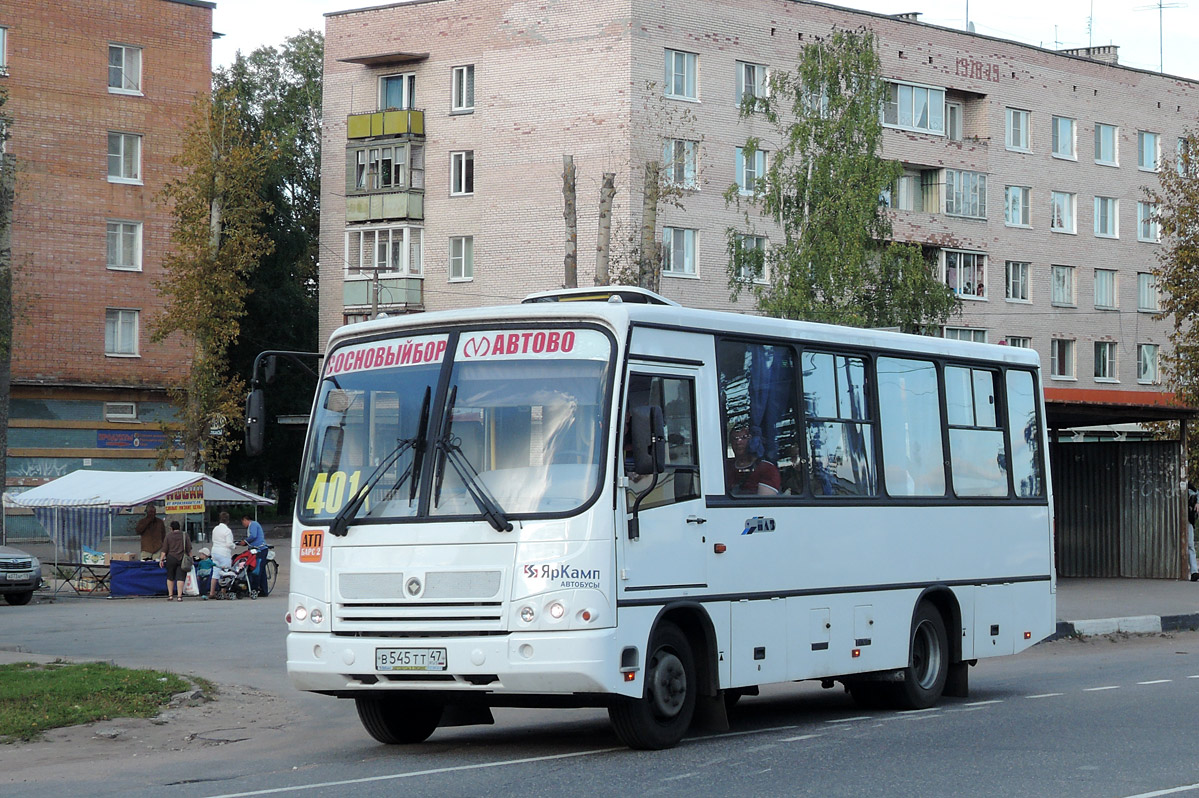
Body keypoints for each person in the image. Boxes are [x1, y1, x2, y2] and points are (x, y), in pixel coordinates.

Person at [725, 423, 780, 496]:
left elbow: (764, 503)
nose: (738, 442)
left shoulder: (767, 469)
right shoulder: (726, 467)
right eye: (734, 438)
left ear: (753, 441)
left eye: (744, 437)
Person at [159, 520, 192, 601]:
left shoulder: (168, 536)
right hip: (182, 558)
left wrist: (161, 559)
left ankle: (170, 595)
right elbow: (189, 549)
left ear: (171, 528)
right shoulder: (185, 535)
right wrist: (191, 559)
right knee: (180, 577)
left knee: (170, 577)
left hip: (170, 558)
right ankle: (179, 596)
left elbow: (164, 549)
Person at [205, 512, 235, 600]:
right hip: (224, 553)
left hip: (215, 551)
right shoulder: (227, 531)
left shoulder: (215, 529)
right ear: (228, 521)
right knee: (225, 572)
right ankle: (223, 592)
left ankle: (212, 592)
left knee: (215, 572)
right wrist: (234, 546)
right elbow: (229, 544)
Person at [241, 514, 268, 596]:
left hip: (260, 549)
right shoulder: (252, 525)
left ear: (246, 520)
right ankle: (264, 590)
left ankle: (255, 588)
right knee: (262, 571)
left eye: (243, 522)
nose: (243, 525)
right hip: (257, 549)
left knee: (257, 570)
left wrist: (245, 541)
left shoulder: (253, 524)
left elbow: (253, 536)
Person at [1188, 483, 1198, 582]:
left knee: (1190, 545)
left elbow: (1196, 492)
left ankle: (1194, 572)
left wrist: (1197, 502)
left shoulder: (1190, 487)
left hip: (1188, 520)